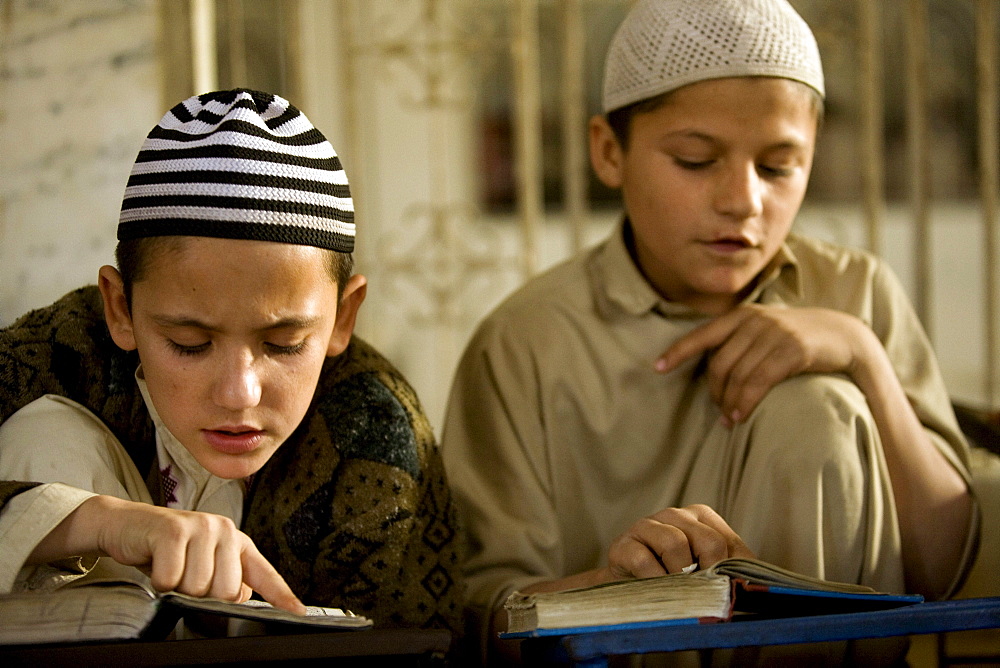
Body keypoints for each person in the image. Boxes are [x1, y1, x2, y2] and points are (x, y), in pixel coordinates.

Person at [440, 0, 979, 662]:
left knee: (820, 407)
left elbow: (942, 574)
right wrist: (614, 591)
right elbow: (482, 616)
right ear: (609, 152)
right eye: (696, 160)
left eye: (779, 166)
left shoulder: (855, 294)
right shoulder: (525, 343)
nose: (744, 200)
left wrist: (861, 355)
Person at [0, 89, 462, 633]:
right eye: (190, 344)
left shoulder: (376, 435)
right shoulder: (50, 356)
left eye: (284, 344)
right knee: (46, 435)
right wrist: (92, 523)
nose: (239, 393)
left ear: (343, 317)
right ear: (120, 308)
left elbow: (413, 646)